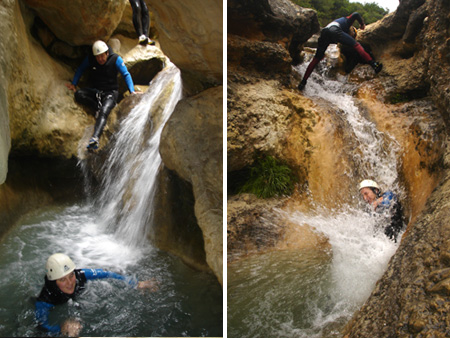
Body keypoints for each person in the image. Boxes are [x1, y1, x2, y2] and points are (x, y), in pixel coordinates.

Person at [35, 253, 158, 336]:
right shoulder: (46, 298)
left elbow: (107, 273)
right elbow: (41, 327)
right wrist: (61, 328)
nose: (69, 283)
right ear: (54, 282)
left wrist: (135, 283)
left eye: (71, 275)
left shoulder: (80, 275)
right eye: (62, 279)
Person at [65, 40, 137, 150]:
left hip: (110, 92)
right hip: (97, 91)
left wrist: (132, 91)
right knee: (79, 94)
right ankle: (97, 108)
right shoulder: (91, 59)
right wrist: (74, 84)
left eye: (102, 56)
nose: (100, 59)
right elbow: (80, 69)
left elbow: (126, 74)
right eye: (97, 57)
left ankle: (95, 138)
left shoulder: (115, 59)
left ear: (107, 53)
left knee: (104, 111)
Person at [298, 12, 383, 91]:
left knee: (316, 59)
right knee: (357, 45)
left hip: (324, 32)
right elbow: (356, 14)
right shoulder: (347, 22)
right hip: (334, 30)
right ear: (352, 30)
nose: (353, 36)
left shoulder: (339, 25)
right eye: (354, 34)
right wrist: (362, 24)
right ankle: (374, 65)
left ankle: (303, 82)